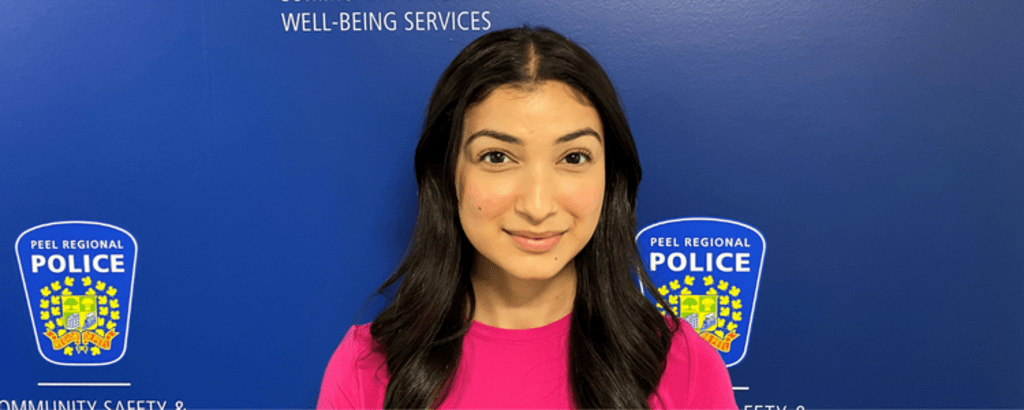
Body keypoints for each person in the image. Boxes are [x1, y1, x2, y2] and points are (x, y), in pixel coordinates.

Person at [317, 26, 737, 409]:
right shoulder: (367, 367)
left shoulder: (683, 365)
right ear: (449, 175)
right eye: (497, 157)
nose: (537, 206)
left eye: (574, 157)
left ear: (610, 178)